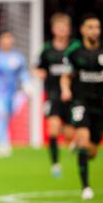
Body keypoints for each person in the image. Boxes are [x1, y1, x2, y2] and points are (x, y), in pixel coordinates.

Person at [60, 14, 103, 200]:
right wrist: (66, 89)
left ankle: (80, 147)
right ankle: (86, 187)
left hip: (101, 105)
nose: (95, 31)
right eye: (90, 27)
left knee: (91, 152)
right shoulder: (75, 50)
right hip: (80, 101)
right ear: (83, 29)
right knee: (83, 138)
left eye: (97, 27)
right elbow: (66, 75)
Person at [34, 13, 75, 178]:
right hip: (53, 95)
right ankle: (55, 165)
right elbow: (37, 67)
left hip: (73, 96)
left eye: (64, 27)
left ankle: (73, 142)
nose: (62, 30)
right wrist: (39, 73)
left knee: (70, 133)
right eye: (59, 27)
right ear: (53, 30)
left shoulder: (74, 48)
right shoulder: (47, 50)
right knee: (52, 129)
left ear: (69, 29)